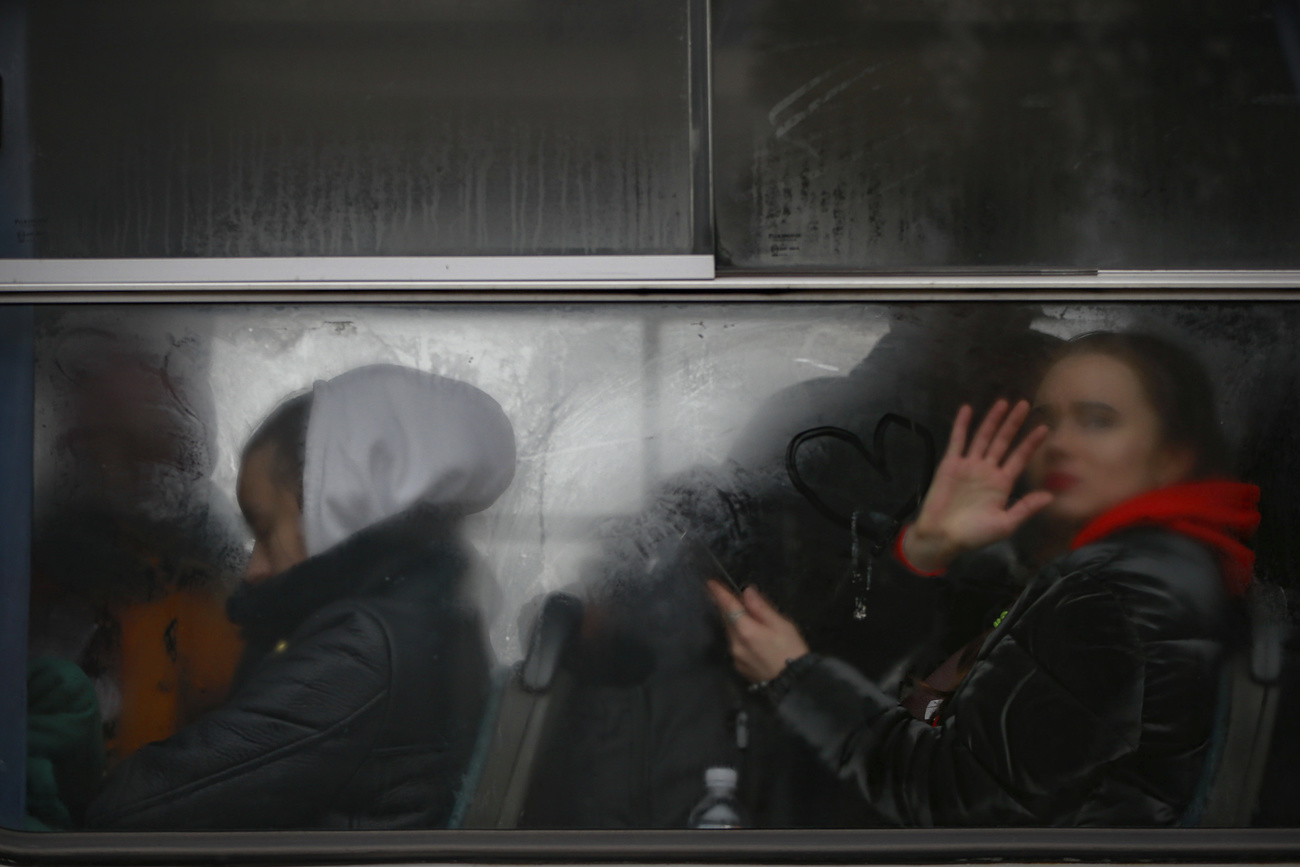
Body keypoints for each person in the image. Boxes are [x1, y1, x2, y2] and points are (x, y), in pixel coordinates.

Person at [709, 332, 1261, 826]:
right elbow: (908, 697)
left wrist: (796, 681)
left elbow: (955, 798)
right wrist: (923, 553)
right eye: (1046, 421)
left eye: (1097, 420)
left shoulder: (1116, 592)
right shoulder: (1091, 573)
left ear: (1172, 457)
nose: (1060, 442)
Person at [85, 364, 516, 830]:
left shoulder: (363, 650)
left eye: (267, 531)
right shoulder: (424, 619)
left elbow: (132, 809)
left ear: (339, 508)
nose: (254, 569)